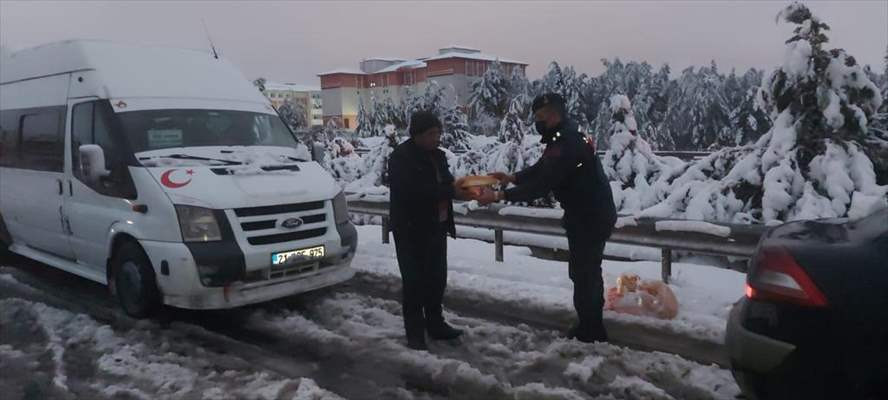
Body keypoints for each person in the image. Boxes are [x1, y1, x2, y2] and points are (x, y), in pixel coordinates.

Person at [478, 93, 617, 343]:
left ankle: (591, 331)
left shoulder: (567, 143)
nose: (537, 122)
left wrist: (499, 196)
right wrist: (513, 178)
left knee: (585, 273)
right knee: (585, 272)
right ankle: (590, 325)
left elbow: (542, 185)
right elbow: (542, 168)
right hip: (587, 213)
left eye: (540, 117)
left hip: (589, 216)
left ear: (553, 115)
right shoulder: (564, 137)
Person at [388, 110, 475, 350]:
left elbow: (444, 183)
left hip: (437, 226)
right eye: (430, 134)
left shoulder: (438, 156)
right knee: (414, 282)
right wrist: (451, 191)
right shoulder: (400, 158)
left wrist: (461, 186)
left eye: (438, 133)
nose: (436, 138)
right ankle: (415, 332)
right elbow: (415, 192)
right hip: (410, 230)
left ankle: (436, 324)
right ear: (416, 134)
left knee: (437, 279)